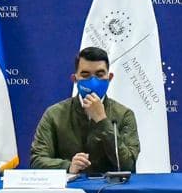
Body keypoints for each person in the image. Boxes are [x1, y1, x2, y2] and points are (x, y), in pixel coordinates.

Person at [29, 46, 139, 174]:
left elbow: (128, 165)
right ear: (75, 79)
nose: (93, 81)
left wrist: (103, 121)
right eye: (85, 75)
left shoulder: (124, 115)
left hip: (110, 186)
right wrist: (68, 166)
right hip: (70, 186)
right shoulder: (54, 114)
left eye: (99, 75)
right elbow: (37, 160)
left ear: (109, 78)